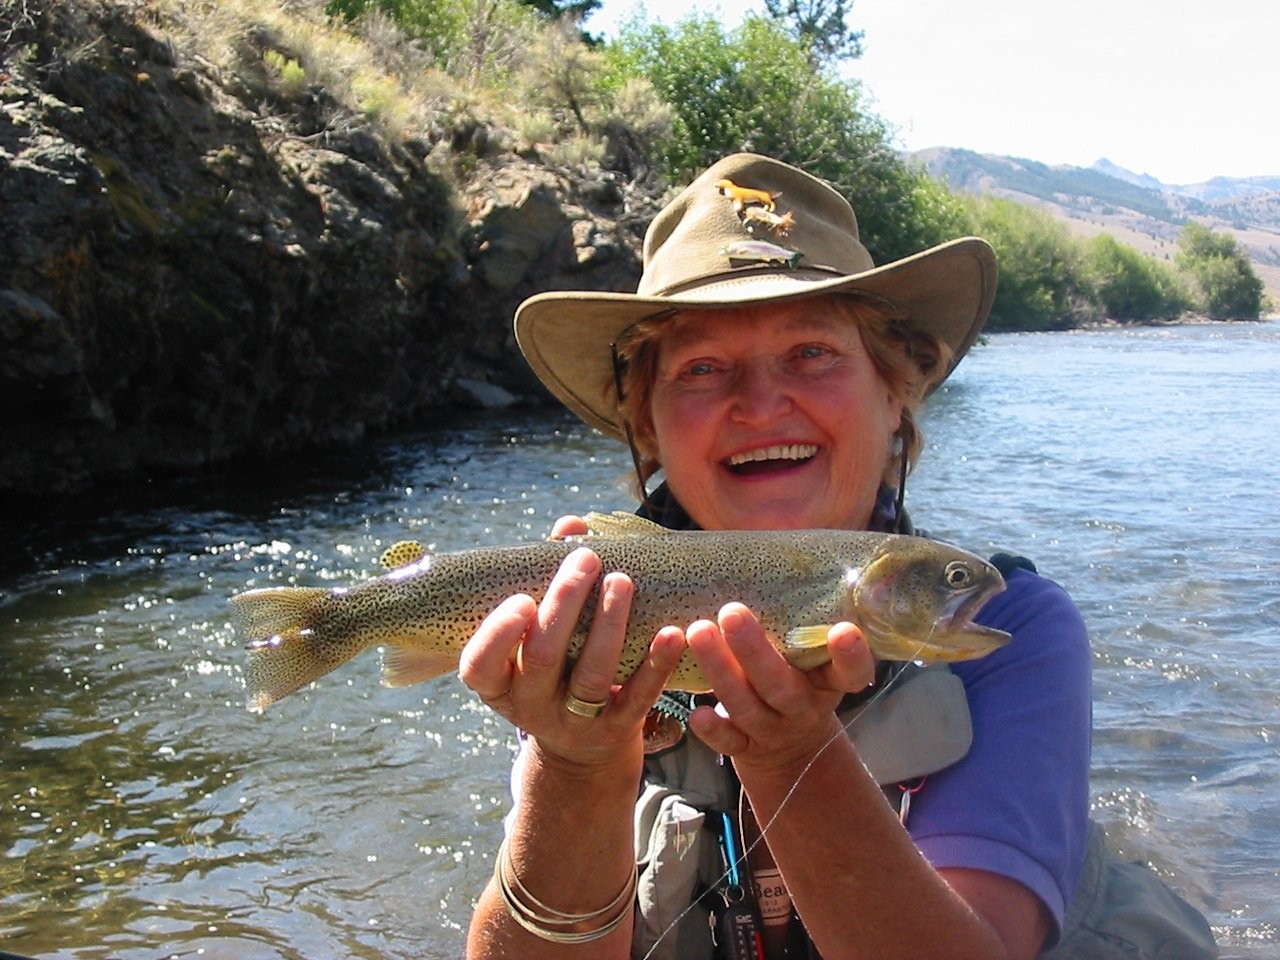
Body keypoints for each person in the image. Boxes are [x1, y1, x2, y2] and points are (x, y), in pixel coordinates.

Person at [458, 154, 1216, 960]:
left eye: (812, 353)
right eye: (703, 368)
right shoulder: (599, 617)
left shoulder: (1009, 631)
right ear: (647, 424)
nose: (760, 404)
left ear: (895, 393)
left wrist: (791, 753)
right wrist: (575, 764)